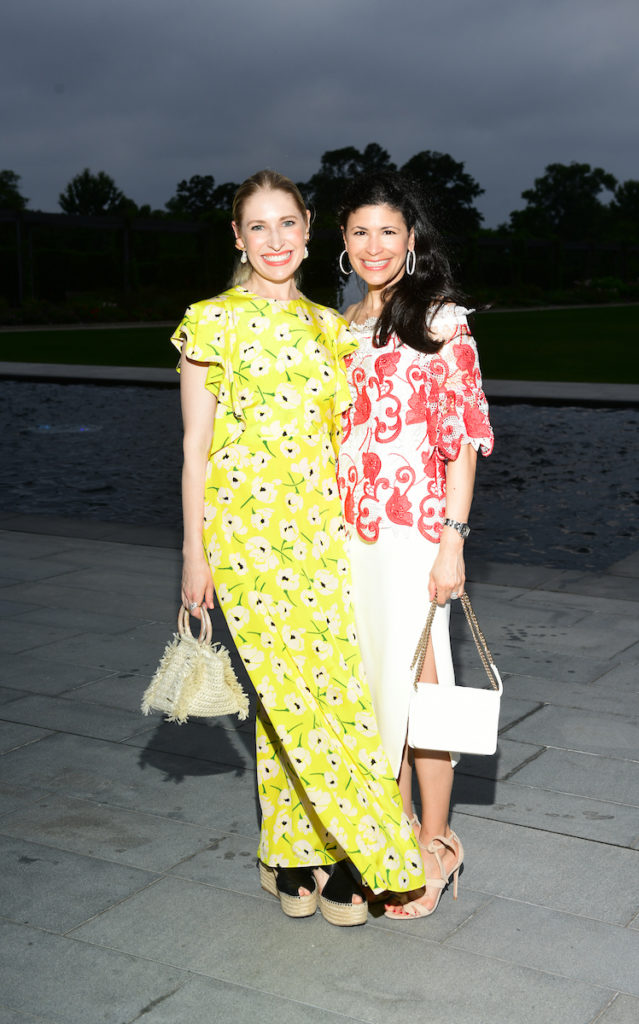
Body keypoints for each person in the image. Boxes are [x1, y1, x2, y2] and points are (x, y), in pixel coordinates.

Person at [172, 169, 424, 927]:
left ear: (309, 229)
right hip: (243, 540)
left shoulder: (330, 327)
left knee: (331, 697)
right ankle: (359, 851)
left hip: (322, 537)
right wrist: (193, 553)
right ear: (237, 237)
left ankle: (306, 848)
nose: (275, 240)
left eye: (287, 224)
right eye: (258, 227)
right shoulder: (210, 321)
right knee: (287, 696)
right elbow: (193, 448)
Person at [337, 171, 494, 919]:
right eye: (360, 231)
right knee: (376, 702)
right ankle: (391, 843)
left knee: (424, 694)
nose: (374, 245)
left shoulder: (440, 319)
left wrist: (452, 544)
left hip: (414, 534)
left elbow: (461, 441)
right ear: (341, 240)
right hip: (352, 539)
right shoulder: (340, 326)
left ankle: (437, 844)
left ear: (412, 239)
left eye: (388, 232)